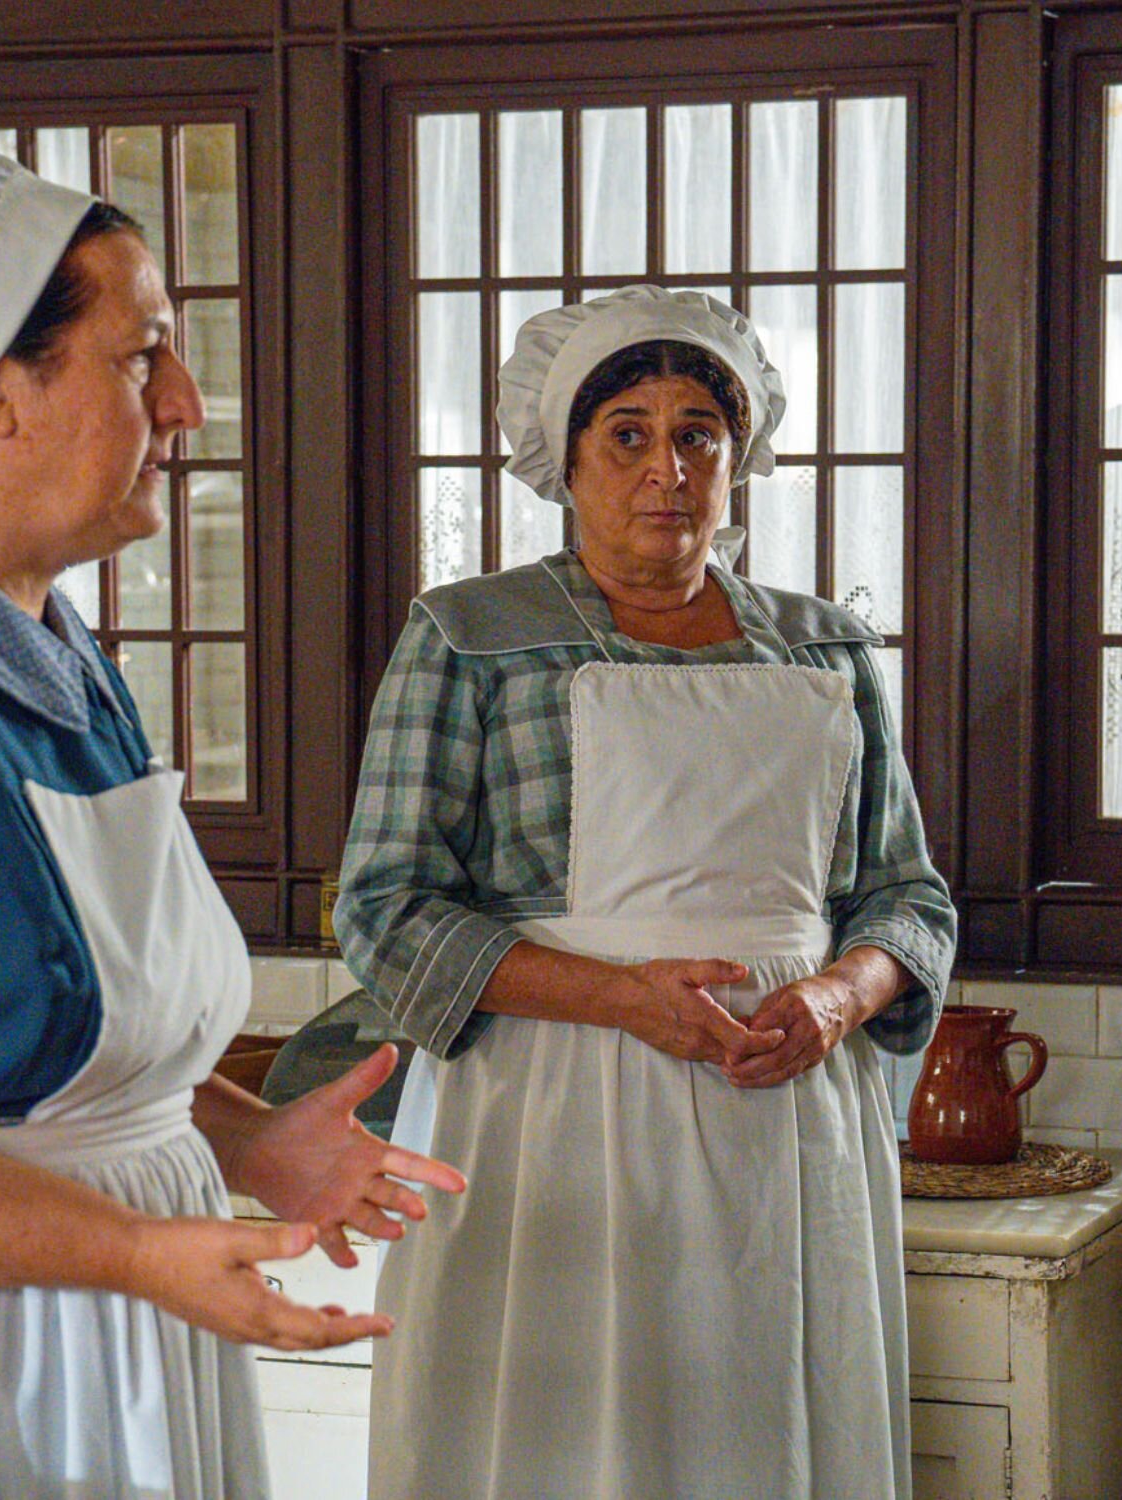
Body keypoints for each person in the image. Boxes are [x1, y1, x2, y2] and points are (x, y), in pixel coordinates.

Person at [0, 147, 463, 1498]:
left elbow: (44, 1041)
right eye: (144, 356)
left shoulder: (49, 642)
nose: (186, 403)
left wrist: (244, 1139)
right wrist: (130, 1251)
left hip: (103, 1316)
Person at [335, 284, 956, 1500]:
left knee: (762, 1429)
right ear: (563, 461)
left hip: (782, 1111)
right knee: (564, 1446)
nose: (665, 468)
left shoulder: (825, 649)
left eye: (696, 435)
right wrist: (619, 997)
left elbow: (908, 899)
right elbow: (386, 906)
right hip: (550, 1113)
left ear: (739, 458)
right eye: (626, 434)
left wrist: (836, 996)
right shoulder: (470, 636)